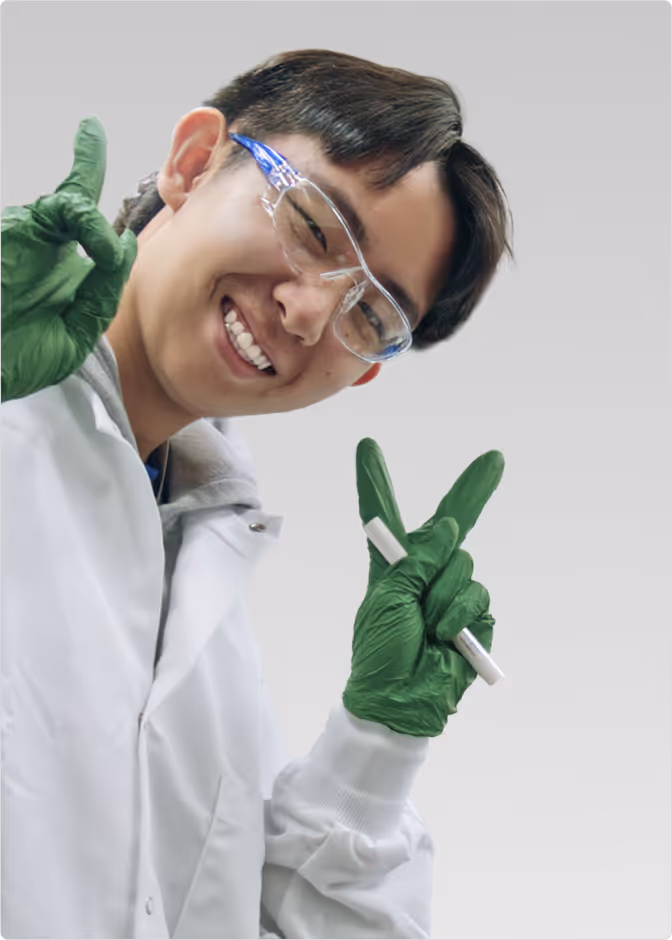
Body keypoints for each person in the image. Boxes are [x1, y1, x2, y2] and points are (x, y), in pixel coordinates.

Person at [1, 50, 512, 939]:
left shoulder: (210, 627)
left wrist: (372, 751)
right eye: (314, 227)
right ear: (194, 163)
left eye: (371, 315)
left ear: (362, 377)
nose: (311, 313)